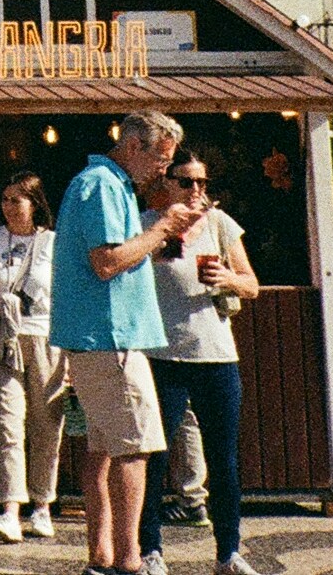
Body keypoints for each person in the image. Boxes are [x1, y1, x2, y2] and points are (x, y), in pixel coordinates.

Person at [52, 112, 204, 575]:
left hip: (100, 337)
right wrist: (162, 229)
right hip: (111, 337)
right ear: (134, 145)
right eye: (161, 158)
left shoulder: (102, 183)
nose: (163, 169)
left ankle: (103, 558)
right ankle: (129, 561)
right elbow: (106, 262)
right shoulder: (102, 185)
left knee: (102, 451)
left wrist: (159, 236)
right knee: (134, 449)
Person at [138, 148, 258, 575]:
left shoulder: (220, 224)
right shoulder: (147, 225)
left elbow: (252, 285)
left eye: (202, 182)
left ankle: (229, 553)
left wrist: (228, 278)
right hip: (161, 354)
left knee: (224, 459)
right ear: (166, 183)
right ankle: (150, 550)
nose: (195, 189)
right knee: (154, 457)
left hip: (216, 354)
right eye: (186, 181)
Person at [0, 172, 67, 546]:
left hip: (45, 337)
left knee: (46, 423)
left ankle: (42, 504)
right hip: (2, 338)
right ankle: (10, 509)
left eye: (17, 200)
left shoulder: (54, 243)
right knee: (8, 423)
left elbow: (67, 296)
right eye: (4, 199)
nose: (8, 207)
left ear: (35, 203)